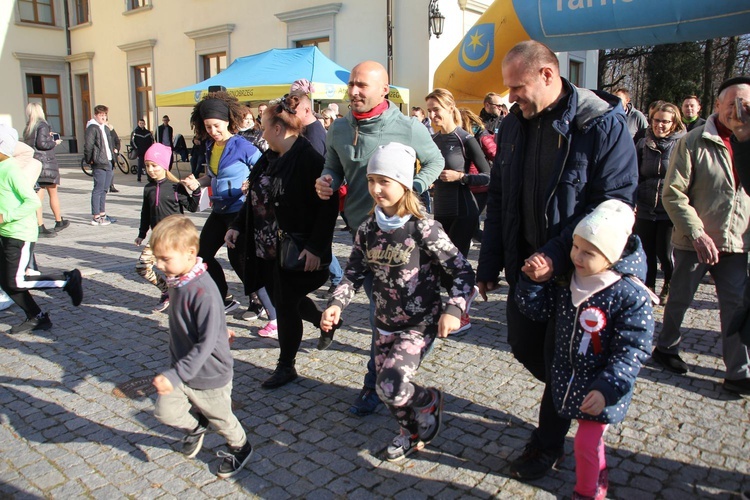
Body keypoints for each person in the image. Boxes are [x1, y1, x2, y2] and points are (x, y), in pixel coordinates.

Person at [476, 40, 638, 480]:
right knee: (525, 347)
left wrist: (555, 253)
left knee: (561, 357)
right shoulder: (513, 124)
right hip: (526, 271)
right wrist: (489, 265)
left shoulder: (600, 124)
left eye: (517, 87)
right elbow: (501, 197)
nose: (511, 97)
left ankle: (547, 444)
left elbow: (613, 204)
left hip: (580, 273)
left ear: (548, 74)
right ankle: (571, 391)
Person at [320, 142, 476, 462]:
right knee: (385, 389)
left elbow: (462, 270)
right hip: (384, 323)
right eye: (371, 180)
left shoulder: (424, 229)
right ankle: (410, 433)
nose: (376, 189)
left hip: (420, 323)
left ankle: (430, 400)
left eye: (385, 181)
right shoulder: (367, 229)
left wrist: (454, 308)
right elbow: (351, 275)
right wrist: (336, 304)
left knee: (391, 385)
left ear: (404, 184)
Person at [315, 60, 444, 417]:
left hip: (403, 242)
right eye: (351, 85)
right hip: (363, 236)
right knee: (380, 316)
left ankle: (392, 372)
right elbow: (333, 166)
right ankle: (379, 382)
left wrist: (410, 190)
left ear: (383, 91)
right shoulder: (338, 128)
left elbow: (434, 162)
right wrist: (326, 181)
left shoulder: (409, 127)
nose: (353, 92)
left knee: (391, 316)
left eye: (362, 86)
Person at [516, 200, 653, 500]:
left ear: (611, 254)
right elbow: (537, 311)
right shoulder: (569, 280)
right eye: (575, 247)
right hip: (567, 380)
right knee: (585, 442)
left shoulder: (628, 295)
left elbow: (633, 349)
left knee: (586, 444)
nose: (577, 256)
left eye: (588, 252)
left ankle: (589, 492)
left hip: (600, 388)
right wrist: (532, 282)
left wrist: (607, 388)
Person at [225, 94, 339, 388]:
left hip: (295, 248)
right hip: (265, 247)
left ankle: (286, 366)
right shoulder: (269, 156)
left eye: (263, 127)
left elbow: (327, 208)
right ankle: (321, 321)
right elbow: (254, 197)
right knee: (283, 299)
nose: (261, 133)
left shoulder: (309, 159)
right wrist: (238, 225)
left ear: (278, 128)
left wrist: (315, 247)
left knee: (286, 304)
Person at [653, 77, 750, 395]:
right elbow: (673, 193)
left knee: (736, 306)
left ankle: (738, 371)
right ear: (718, 104)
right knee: (679, 298)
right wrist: (696, 233)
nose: (740, 109)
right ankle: (666, 348)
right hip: (694, 241)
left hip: (736, 242)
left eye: (747, 104)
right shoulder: (694, 141)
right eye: (734, 102)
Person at [149, 215, 253, 479]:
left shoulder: (201, 290)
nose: (160, 266)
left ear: (190, 253)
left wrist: (174, 374)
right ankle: (197, 426)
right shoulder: (179, 280)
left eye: (165, 259)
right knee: (165, 411)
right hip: (183, 367)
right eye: (157, 258)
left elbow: (207, 341)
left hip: (209, 374)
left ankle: (241, 447)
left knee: (223, 421)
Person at [182, 92, 262, 314]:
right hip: (219, 208)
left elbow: (263, 168)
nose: (213, 131)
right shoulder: (210, 147)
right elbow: (213, 176)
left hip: (239, 210)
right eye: (208, 127)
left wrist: (251, 183)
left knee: (239, 260)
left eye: (216, 126)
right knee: (202, 254)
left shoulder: (242, 145)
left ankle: (257, 301)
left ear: (228, 121)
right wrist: (197, 183)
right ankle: (224, 297)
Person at [0, 124, 84, 334]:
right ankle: (37, 317)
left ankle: (67, 280)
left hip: (20, 233)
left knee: (17, 280)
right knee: (7, 281)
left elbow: (32, 202)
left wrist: (5, 217)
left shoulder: (10, 170)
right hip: (6, 232)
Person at [425, 88, 489, 332]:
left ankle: (461, 314)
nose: (432, 115)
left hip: (464, 211)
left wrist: (460, 177)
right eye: (429, 110)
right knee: (440, 266)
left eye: (436, 110)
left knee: (455, 265)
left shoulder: (465, 138)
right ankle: (459, 301)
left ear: (450, 108)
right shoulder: (434, 140)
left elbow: (488, 176)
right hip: (441, 211)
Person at [135, 143, 200, 312]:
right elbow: (145, 212)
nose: (150, 169)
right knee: (142, 266)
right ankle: (166, 291)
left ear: (164, 166)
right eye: (148, 165)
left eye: (154, 165)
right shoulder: (148, 188)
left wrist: (196, 191)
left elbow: (192, 207)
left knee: (178, 271)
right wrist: (142, 233)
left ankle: (190, 299)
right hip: (156, 237)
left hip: (175, 238)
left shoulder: (176, 186)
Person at [634, 102, 686, 300]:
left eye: (665, 122)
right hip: (646, 205)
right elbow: (635, 174)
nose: (660, 125)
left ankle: (670, 282)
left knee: (664, 252)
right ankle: (648, 289)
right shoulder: (642, 143)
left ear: (674, 123)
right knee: (646, 252)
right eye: (656, 120)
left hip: (668, 208)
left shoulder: (681, 144)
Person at [22, 103, 70, 236]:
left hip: (35, 162)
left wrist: (48, 136)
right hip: (46, 163)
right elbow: (42, 144)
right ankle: (55, 221)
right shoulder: (42, 124)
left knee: (39, 194)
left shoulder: (28, 127)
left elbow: (32, 143)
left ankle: (40, 223)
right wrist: (54, 142)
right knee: (51, 193)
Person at [459, 107, 497, 242]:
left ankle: (493, 244)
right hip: (467, 184)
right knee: (469, 225)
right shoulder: (461, 136)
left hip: (480, 185)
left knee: (471, 227)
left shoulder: (481, 134)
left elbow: (495, 154)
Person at [83, 105, 118, 225]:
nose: (103, 117)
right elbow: (88, 146)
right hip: (99, 162)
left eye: (105, 115)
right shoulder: (92, 128)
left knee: (104, 189)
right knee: (98, 189)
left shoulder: (105, 128)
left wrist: (114, 157)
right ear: (95, 115)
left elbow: (111, 143)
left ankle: (102, 213)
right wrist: (90, 160)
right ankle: (96, 216)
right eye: (101, 115)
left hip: (108, 161)